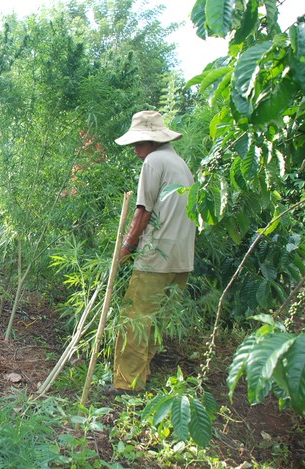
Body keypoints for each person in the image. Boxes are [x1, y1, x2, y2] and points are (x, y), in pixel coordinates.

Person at [110, 110, 196, 394]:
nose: (136, 150)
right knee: (154, 321)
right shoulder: (181, 164)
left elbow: (143, 211)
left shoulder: (154, 161)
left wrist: (126, 247)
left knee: (135, 321)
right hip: (181, 259)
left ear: (150, 141)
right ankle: (142, 374)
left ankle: (127, 385)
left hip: (155, 257)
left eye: (137, 144)